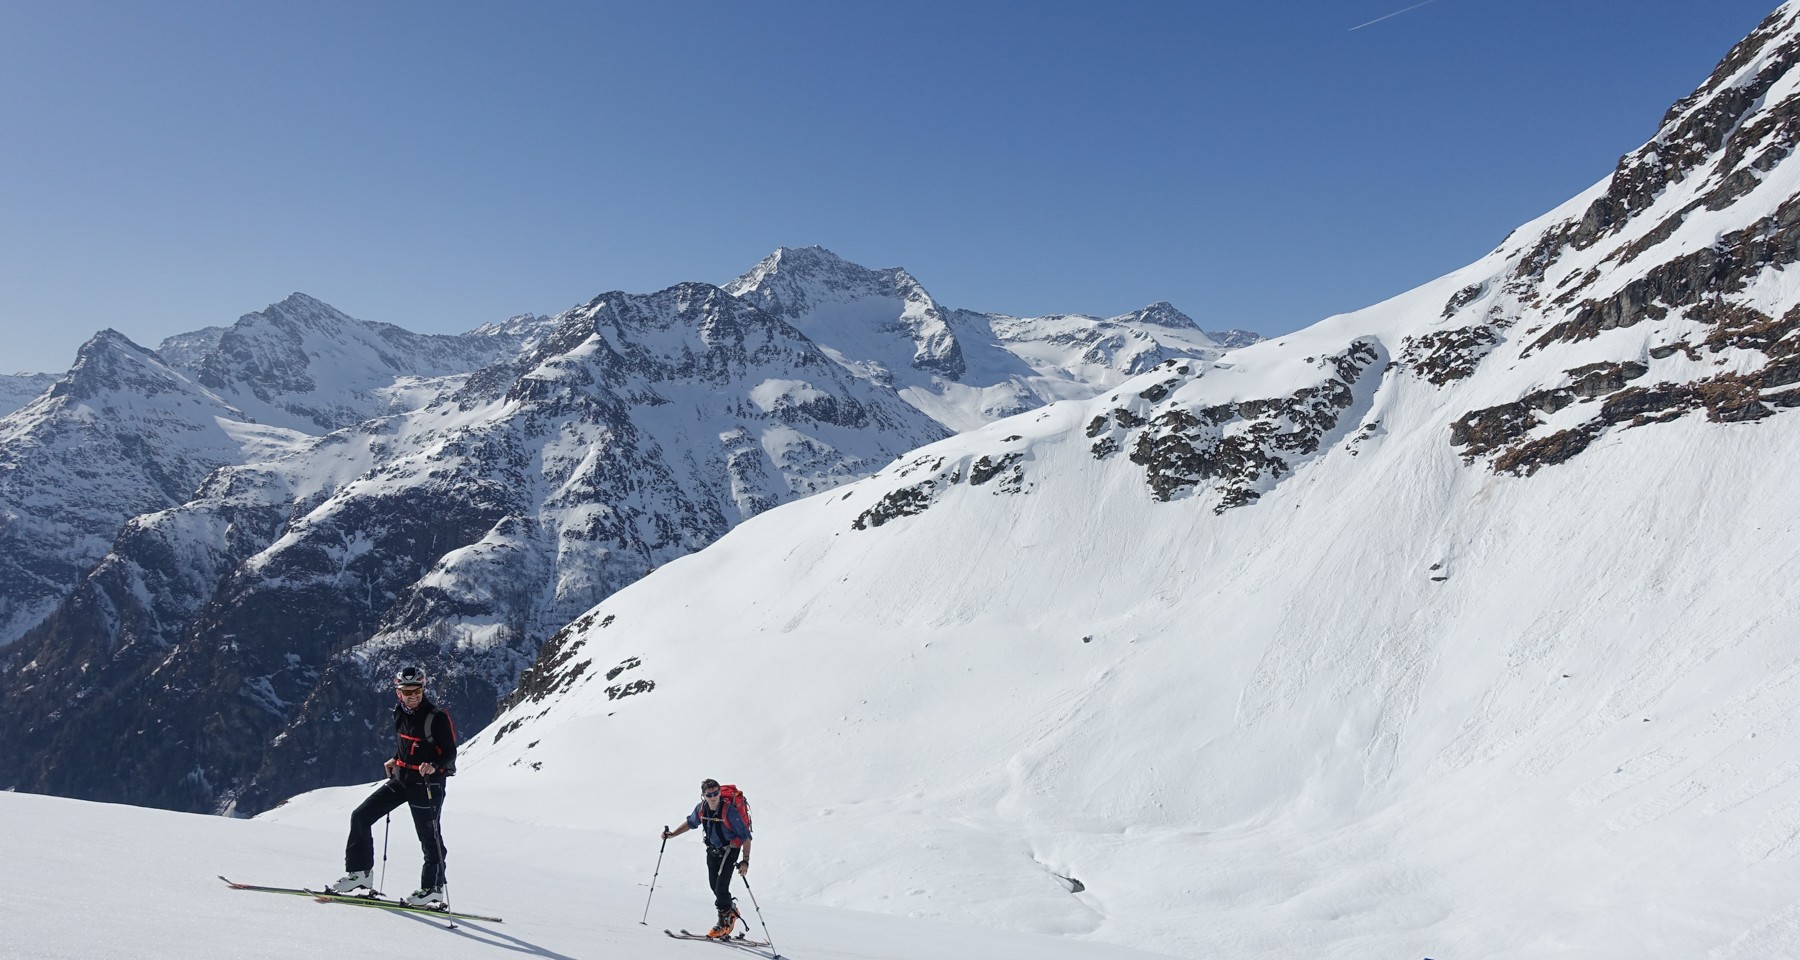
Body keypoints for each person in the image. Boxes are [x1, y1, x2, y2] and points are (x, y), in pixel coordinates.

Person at [329, 665, 458, 908]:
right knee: (360, 816)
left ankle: (433, 889)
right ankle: (360, 873)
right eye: (407, 691)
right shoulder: (399, 713)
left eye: (417, 690)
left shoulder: (436, 717)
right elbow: (407, 745)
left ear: (423, 688)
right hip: (401, 780)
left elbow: (450, 751)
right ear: (397, 692)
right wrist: (394, 759)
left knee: (429, 838)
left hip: (427, 784)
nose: (412, 696)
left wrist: (433, 764)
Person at [661, 778, 753, 938]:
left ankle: (723, 924)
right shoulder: (701, 809)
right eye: (709, 794)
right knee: (714, 886)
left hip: (730, 851)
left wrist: (745, 860)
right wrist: (673, 834)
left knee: (721, 888)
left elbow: (745, 837)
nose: (713, 797)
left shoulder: (729, 810)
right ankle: (731, 911)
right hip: (712, 850)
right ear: (703, 795)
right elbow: (690, 823)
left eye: (716, 793)